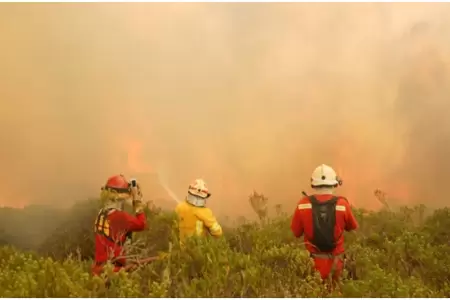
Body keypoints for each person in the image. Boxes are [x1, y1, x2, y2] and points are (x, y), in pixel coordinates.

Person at [290, 164, 358, 283]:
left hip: (312, 266)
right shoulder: (342, 204)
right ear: (334, 183)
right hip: (337, 266)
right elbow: (352, 227)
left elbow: (296, 232)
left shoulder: (302, 204)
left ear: (313, 184)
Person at [92, 174, 147, 276]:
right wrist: (137, 200)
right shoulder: (119, 217)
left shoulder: (101, 214)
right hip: (113, 271)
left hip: (98, 270)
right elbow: (142, 224)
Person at [175, 179, 223, 244]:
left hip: (179, 247)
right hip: (197, 249)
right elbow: (218, 232)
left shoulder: (180, 207)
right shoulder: (206, 212)